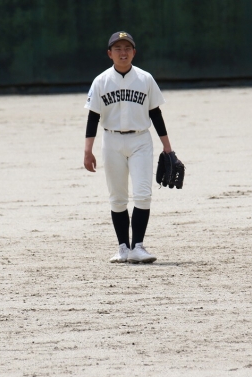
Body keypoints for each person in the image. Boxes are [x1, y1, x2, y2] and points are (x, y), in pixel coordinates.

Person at [83, 31, 174, 264]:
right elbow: (93, 117)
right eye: (118, 49)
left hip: (140, 140)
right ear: (109, 54)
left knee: (143, 194)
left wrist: (167, 148)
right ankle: (123, 248)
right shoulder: (101, 81)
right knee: (117, 197)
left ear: (134, 52)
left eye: (127, 48)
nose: (122, 53)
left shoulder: (145, 79)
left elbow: (155, 113)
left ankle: (138, 247)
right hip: (111, 141)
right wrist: (87, 150)